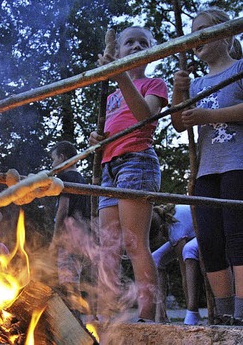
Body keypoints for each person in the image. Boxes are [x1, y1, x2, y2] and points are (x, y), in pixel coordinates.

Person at [171, 8, 243, 326]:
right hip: (207, 169)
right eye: (192, 33)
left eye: (202, 31)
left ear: (225, 34)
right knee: (209, 239)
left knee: (237, 234)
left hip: (241, 162)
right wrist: (179, 91)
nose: (195, 39)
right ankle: (225, 314)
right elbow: (177, 123)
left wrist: (209, 117)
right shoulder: (196, 83)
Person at [88, 26, 168, 323]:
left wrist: (119, 74)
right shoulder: (109, 98)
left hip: (136, 162)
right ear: (118, 50)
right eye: (129, 42)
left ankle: (148, 317)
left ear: (151, 52)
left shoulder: (154, 84)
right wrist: (100, 139)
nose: (136, 46)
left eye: (143, 43)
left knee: (135, 242)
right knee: (108, 245)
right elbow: (112, 132)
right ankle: (105, 312)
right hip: (110, 166)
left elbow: (145, 117)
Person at [49, 141, 96, 320]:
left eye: (54, 160)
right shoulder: (81, 179)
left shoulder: (65, 179)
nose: (53, 165)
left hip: (69, 237)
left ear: (62, 157)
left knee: (68, 279)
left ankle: (73, 318)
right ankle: (75, 314)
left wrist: (55, 239)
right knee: (74, 276)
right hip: (82, 235)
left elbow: (63, 209)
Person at [150, 204, 197, 324]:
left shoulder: (174, 228)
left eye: (155, 238)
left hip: (202, 230)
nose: (155, 242)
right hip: (186, 234)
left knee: (188, 257)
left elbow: (184, 270)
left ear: (161, 229)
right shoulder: (165, 223)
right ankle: (160, 314)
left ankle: (192, 311)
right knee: (155, 259)